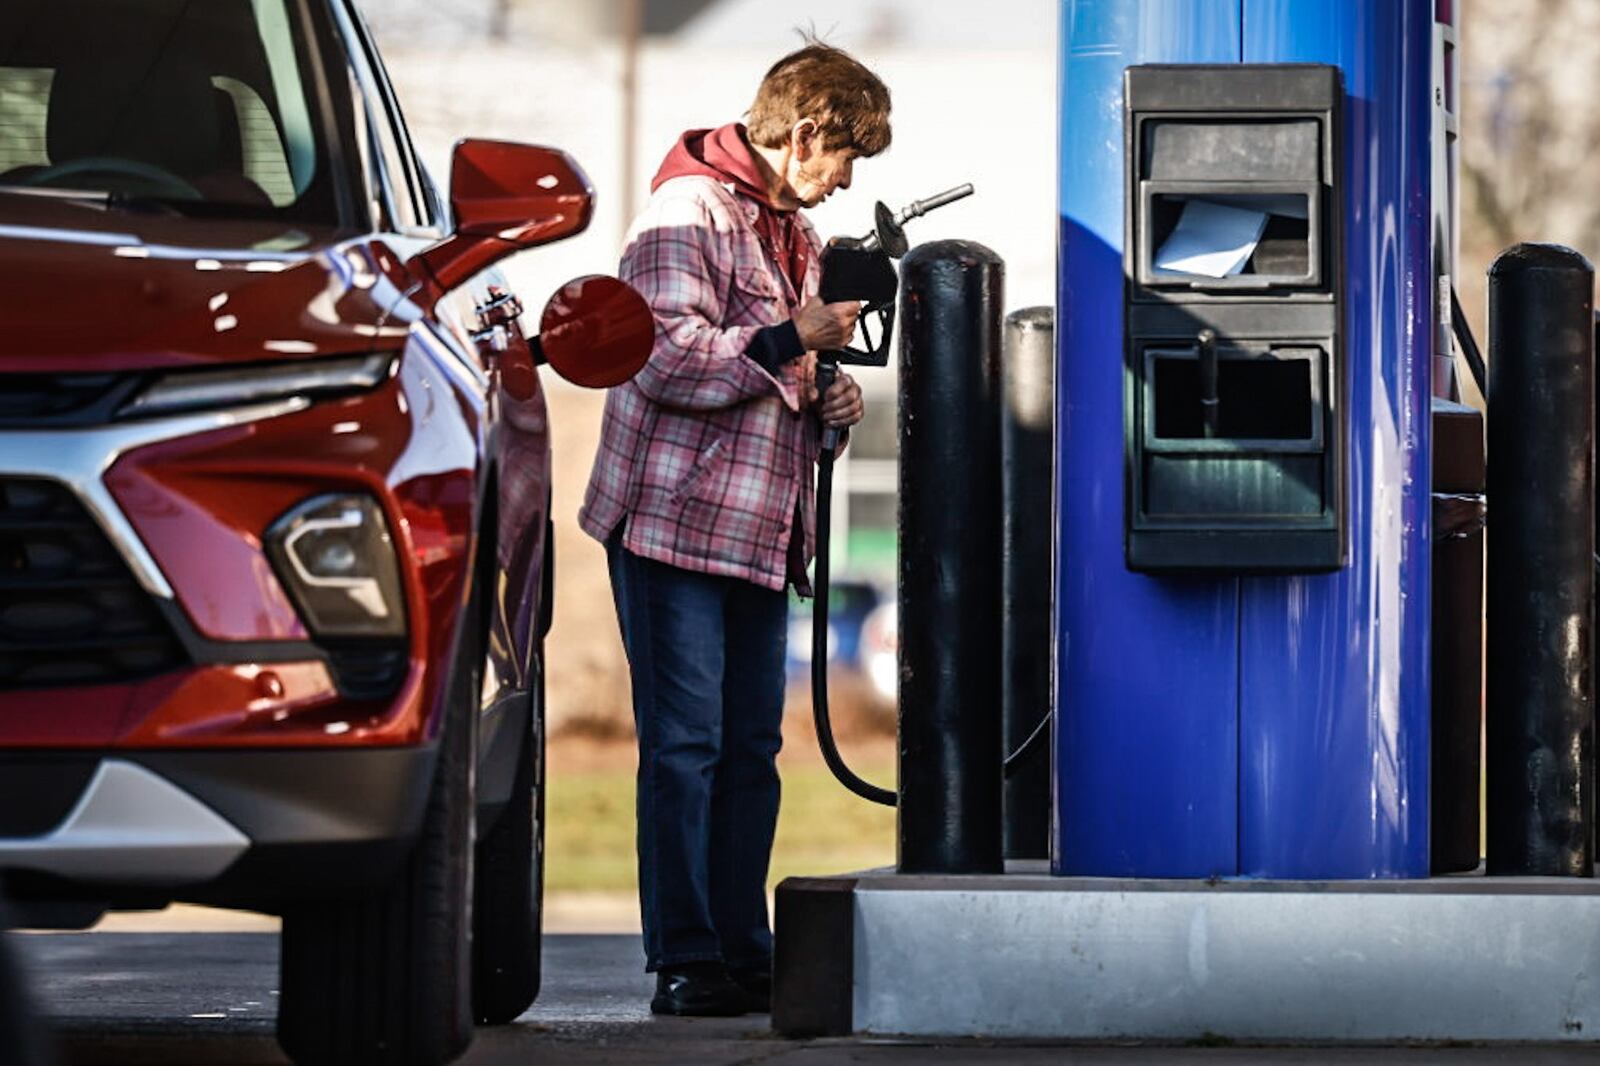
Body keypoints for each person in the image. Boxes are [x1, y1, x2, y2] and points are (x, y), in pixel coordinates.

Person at [579, 42, 890, 1017]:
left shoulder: (783, 230)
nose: (845, 180)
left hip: (758, 535)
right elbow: (659, 356)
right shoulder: (688, 213)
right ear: (803, 134)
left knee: (751, 744)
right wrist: (793, 339)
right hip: (674, 529)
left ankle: (742, 946)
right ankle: (685, 959)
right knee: (684, 746)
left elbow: (762, 367)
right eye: (844, 156)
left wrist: (823, 397)